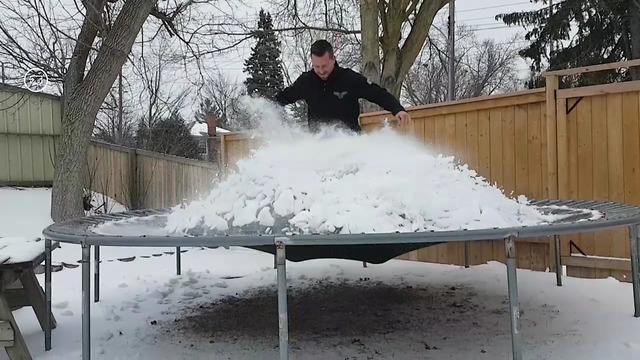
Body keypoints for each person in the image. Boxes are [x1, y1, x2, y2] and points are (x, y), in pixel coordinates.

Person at [274, 39, 411, 133]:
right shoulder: (306, 82)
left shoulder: (349, 79)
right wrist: (262, 106)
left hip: (350, 142)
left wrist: (397, 109)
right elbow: (284, 97)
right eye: (317, 67)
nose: (321, 71)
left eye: (325, 66)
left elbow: (377, 93)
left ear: (333, 59)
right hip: (319, 145)